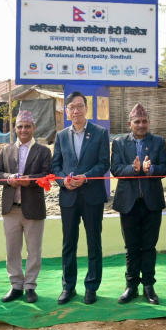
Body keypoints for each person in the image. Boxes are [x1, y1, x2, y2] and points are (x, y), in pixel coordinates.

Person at [52, 91, 110, 305]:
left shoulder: (100, 133)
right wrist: (62, 181)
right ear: (67, 112)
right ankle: (68, 287)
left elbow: (104, 163)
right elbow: (55, 166)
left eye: (79, 106)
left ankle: (91, 287)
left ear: (86, 109)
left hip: (92, 196)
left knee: (94, 242)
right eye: (71, 107)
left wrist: (85, 177)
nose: (76, 110)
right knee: (69, 243)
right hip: (68, 197)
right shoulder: (60, 136)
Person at [110, 104, 166, 305]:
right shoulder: (119, 143)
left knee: (149, 246)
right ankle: (131, 285)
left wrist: (150, 169)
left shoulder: (159, 142)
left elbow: (165, 167)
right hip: (128, 203)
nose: (141, 125)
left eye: (144, 121)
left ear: (149, 123)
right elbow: (115, 169)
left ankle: (149, 286)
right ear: (129, 124)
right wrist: (134, 170)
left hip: (151, 202)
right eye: (137, 121)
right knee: (132, 246)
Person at [0, 110, 52, 303]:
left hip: (33, 207)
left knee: (34, 250)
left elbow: (47, 174)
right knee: (12, 249)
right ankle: (16, 285)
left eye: (27, 126)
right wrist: (9, 178)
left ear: (34, 128)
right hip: (11, 208)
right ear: (15, 129)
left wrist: (31, 181)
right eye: (20, 126)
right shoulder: (6, 150)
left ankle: (30, 287)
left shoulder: (43, 151)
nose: (23, 130)